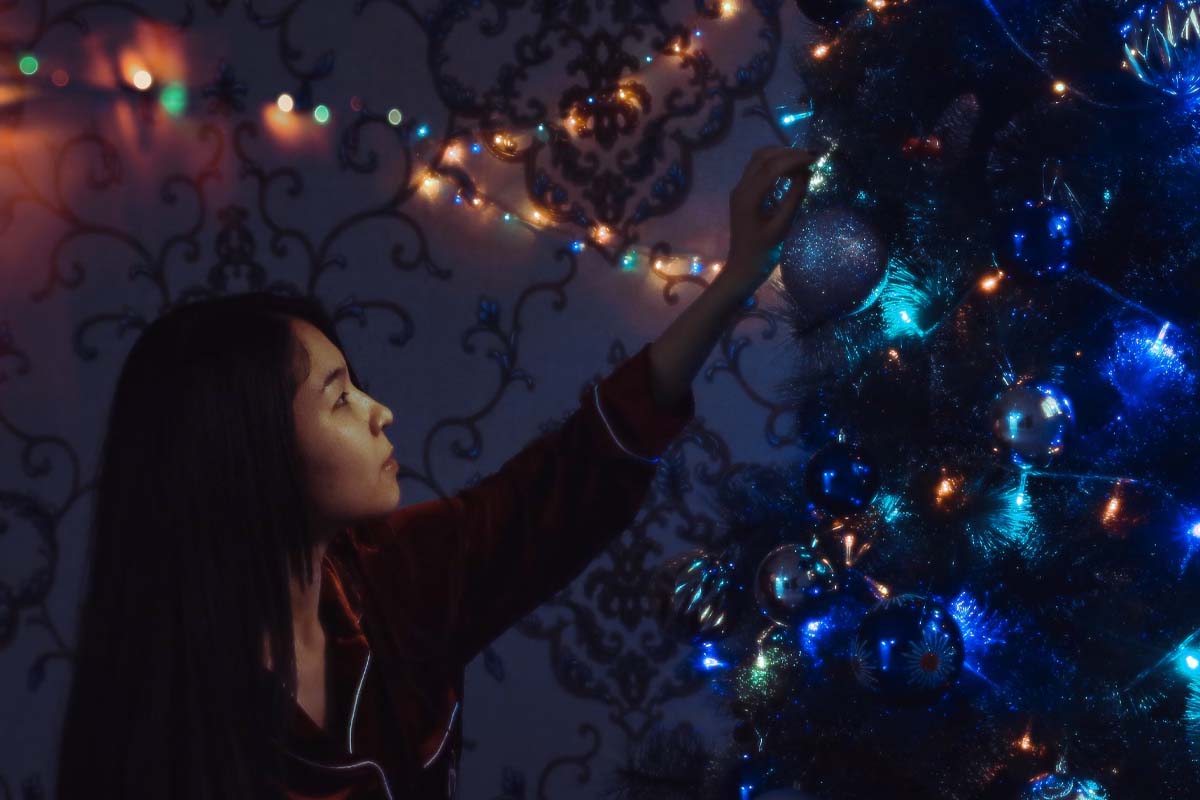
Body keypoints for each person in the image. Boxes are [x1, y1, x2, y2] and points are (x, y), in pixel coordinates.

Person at [53, 146, 818, 800]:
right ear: (251, 453)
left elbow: (573, 473)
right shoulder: (161, 715)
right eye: (339, 397)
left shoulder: (391, 581)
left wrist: (735, 280)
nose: (379, 411)